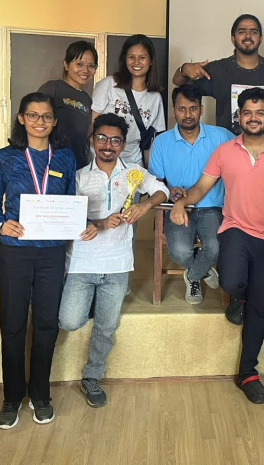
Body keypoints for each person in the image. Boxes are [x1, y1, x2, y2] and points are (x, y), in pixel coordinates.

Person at [170, 88, 264, 404]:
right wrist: (182, 203)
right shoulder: (224, 151)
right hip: (234, 229)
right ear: (239, 116)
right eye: (247, 112)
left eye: (259, 113)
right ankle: (240, 296)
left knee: (261, 306)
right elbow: (201, 186)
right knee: (232, 281)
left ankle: (248, 373)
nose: (253, 118)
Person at [0, 92, 95, 428]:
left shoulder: (64, 158)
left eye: (47, 116)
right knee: (12, 324)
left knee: (47, 323)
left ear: (54, 121)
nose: (40, 121)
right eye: (33, 115)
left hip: (52, 251)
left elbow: (70, 201)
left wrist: (82, 223)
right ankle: (11, 397)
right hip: (14, 250)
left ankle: (40, 394)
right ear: (21, 118)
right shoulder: (5, 157)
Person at [59, 113, 169, 407]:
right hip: (81, 262)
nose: (108, 145)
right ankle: (89, 301)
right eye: (102, 138)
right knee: (69, 321)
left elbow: (162, 190)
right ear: (92, 140)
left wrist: (145, 205)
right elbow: (65, 214)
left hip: (118, 264)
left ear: (123, 144)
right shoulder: (78, 176)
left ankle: (91, 377)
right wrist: (98, 223)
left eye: (115, 140)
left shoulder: (134, 173)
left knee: (106, 327)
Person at [149, 85, 234, 304]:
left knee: (215, 247)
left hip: (212, 207)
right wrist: (168, 191)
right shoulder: (161, 142)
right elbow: (155, 182)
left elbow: (249, 146)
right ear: (173, 110)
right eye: (182, 109)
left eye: (193, 108)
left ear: (201, 109)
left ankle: (193, 275)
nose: (187, 114)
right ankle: (202, 269)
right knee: (179, 252)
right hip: (177, 206)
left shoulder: (221, 136)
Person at [173, 13, 264, 139]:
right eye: (242, 31)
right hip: (227, 148)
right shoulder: (218, 70)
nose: (248, 36)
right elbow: (178, 83)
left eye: (253, 32)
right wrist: (184, 69)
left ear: (260, 38)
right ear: (233, 38)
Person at [91, 34, 165, 168]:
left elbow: (149, 141)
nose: (136, 62)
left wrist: (151, 172)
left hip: (133, 164)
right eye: (131, 57)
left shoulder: (155, 97)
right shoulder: (109, 84)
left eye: (142, 57)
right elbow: (92, 126)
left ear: (151, 61)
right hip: (102, 159)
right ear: (125, 59)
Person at [38, 40, 97, 170]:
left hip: (77, 166)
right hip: (51, 163)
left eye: (91, 66)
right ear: (66, 64)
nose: (85, 70)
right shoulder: (53, 88)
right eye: (79, 64)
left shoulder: (87, 100)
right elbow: (35, 121)